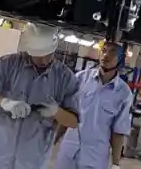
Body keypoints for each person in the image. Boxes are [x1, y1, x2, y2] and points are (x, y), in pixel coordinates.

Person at [0, 23, 79, 169]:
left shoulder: (65, 78)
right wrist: (4, 102)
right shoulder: (8, 64)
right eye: (38, 55)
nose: (43, 60)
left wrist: (56, 112)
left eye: (48, 54)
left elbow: (73, 122)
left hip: (32, 163)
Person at [55, 41, 133, 169]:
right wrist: (52, 142)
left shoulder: (123, 93)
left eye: (112, 52)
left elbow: (118, 132)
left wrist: (115, 164)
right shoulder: (80, 79)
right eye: (104, 50)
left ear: (120, 58)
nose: (106, 55)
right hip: (68, 153)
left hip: (95, 158)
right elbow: (65, 116)